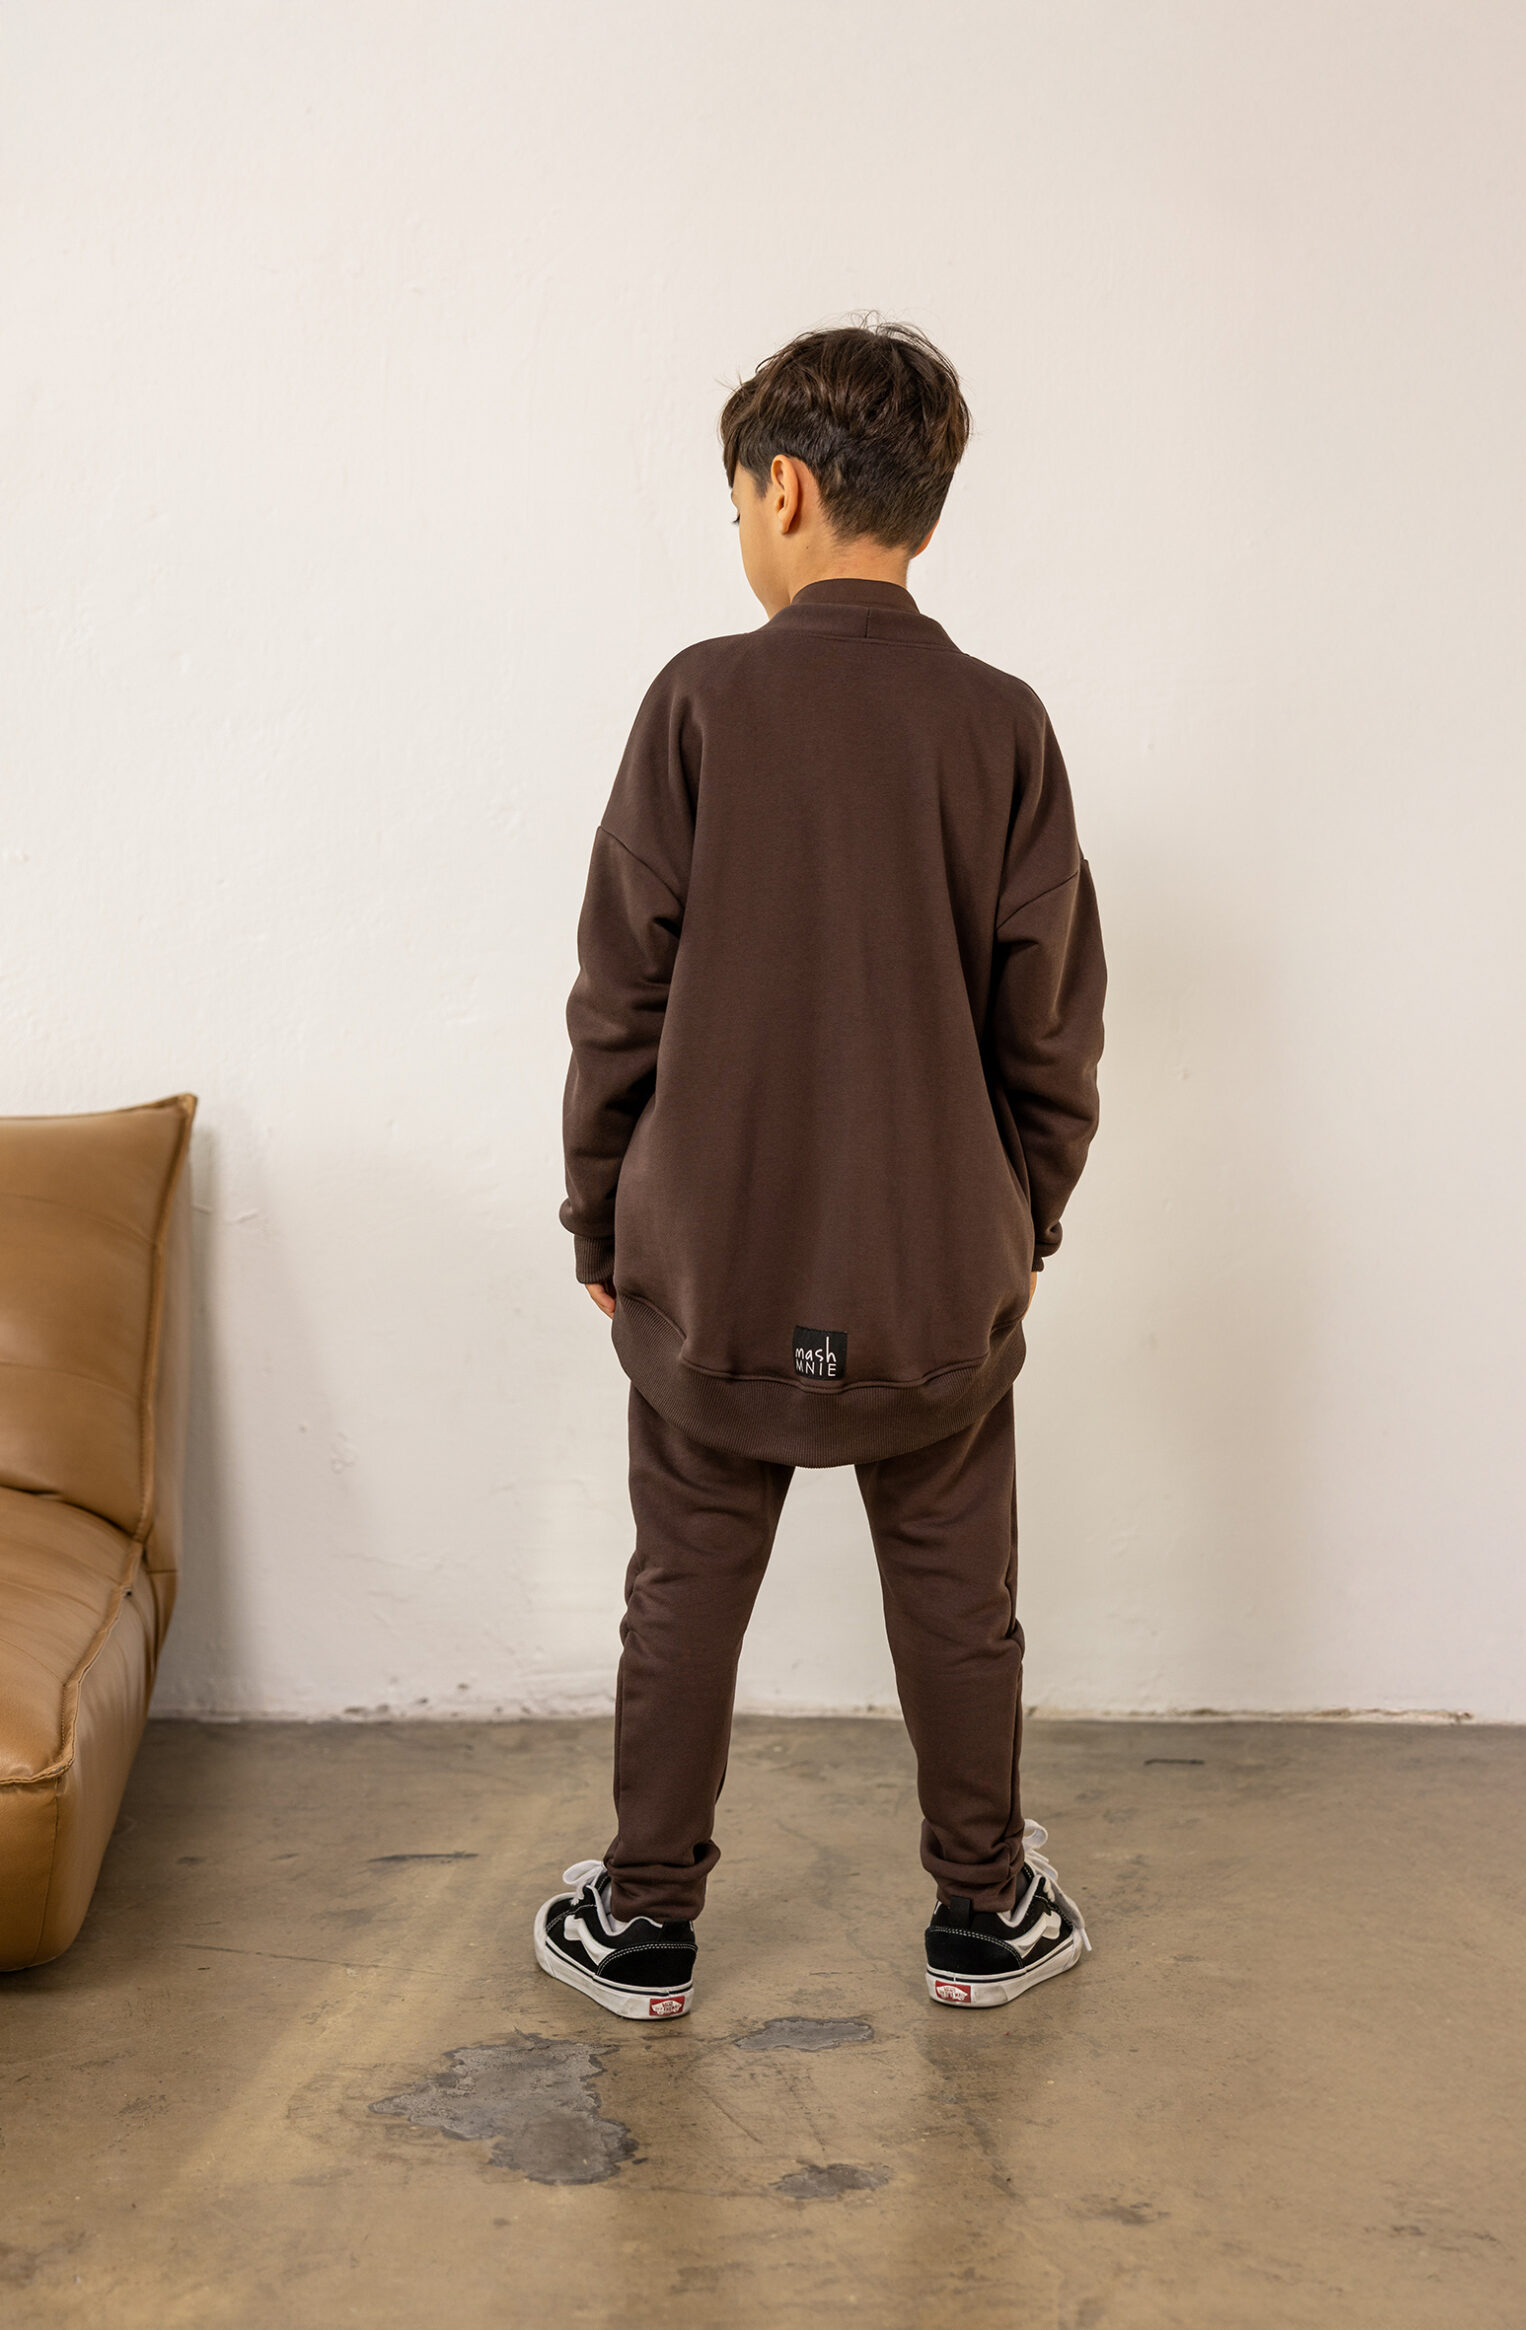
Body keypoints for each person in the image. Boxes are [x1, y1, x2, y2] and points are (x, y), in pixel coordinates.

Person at [536, 320, 1107, 2021]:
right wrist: (1020, 1217)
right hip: (932, 1273)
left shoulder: (699, 700)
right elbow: (1050, 1023)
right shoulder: (1000, 723)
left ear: (781, 489)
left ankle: (644, 1922)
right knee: (957, 1589)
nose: (740, 531)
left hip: (713, 1267)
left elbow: (618, 993)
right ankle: (982, 1911)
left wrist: (598, 1212)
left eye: (735, 504)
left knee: (682, 1585)